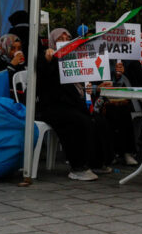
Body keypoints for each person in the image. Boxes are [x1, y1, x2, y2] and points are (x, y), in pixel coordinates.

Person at [36, 28, 112, 180]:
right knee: (79, 121)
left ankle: (96, 162)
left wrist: (97, 86)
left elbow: (83, 84)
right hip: (53, 106)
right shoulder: (45, 57)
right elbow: (43, 79)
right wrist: (48, 60)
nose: (64, 42)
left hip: (72, 103)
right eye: (60, 39)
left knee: (97, 120)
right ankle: (78, 166)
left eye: (67, 39)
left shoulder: (75, 58)